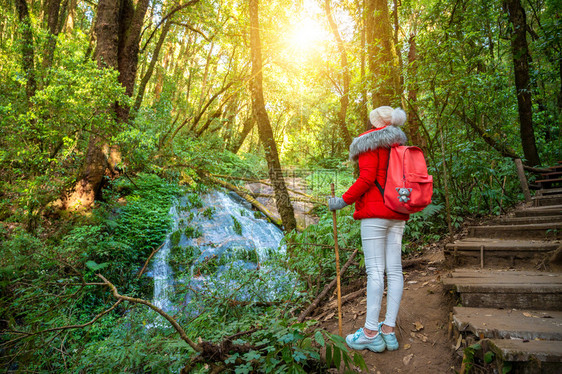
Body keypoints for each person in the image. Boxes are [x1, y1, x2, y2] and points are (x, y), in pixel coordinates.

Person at [329, 106, 409, 353]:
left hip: (375, 214)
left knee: (375, 272)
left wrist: (342, 200)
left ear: (375, 121)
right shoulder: (400, 146)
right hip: (398, 211)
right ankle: (389, 331)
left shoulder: (369, 143)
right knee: (394, 271)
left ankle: (370, 333)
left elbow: (366, 179)